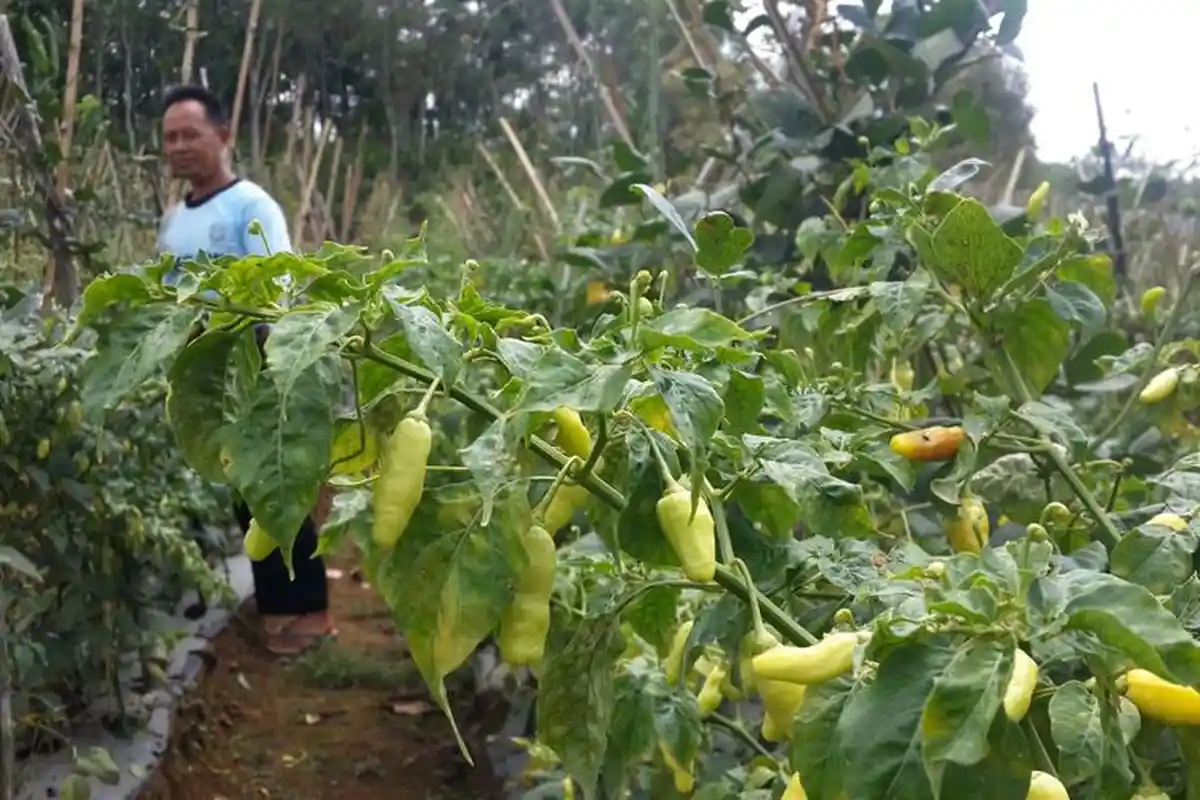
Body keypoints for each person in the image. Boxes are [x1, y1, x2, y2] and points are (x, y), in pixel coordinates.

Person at [157, 84, 335, 656]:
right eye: (170, 138)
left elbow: (274, 289)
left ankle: (306, 613)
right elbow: (167, 297)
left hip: (256, 366)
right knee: (245, 493)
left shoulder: (251, 206)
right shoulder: (175, 218)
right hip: (209, 380)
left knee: (279, 484)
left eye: (191, 134)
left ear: (223, 136)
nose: (180, 146)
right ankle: (280, 602)